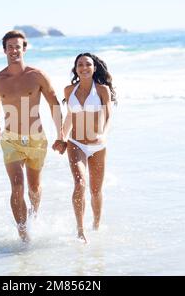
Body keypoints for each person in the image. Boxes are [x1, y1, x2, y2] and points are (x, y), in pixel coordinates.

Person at [0, 30, 67, 242]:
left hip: (36, 138)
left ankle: (34, 216)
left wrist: (60, 134)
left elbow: (54, 103)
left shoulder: (37, 76)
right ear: (4, 50)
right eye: (10, 46)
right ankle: (24, 235)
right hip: (11, 139)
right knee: (17, 186)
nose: (14, 50)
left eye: (18, 46)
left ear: (24, 49)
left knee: (34, 188)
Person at [62, 53, 116, 243]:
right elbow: (69, 116)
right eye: (80, 65)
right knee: (79, 184)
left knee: (95, 191)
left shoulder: (102, 90)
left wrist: (104, 134)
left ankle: (96, 225)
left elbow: (109, 116)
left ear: (94, 68)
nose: (84, 67)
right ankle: (80, 230)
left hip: (98, 146)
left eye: (88, 64)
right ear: (76, 69)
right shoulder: (69, 90)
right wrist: (62, 137)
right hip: (76, 143)